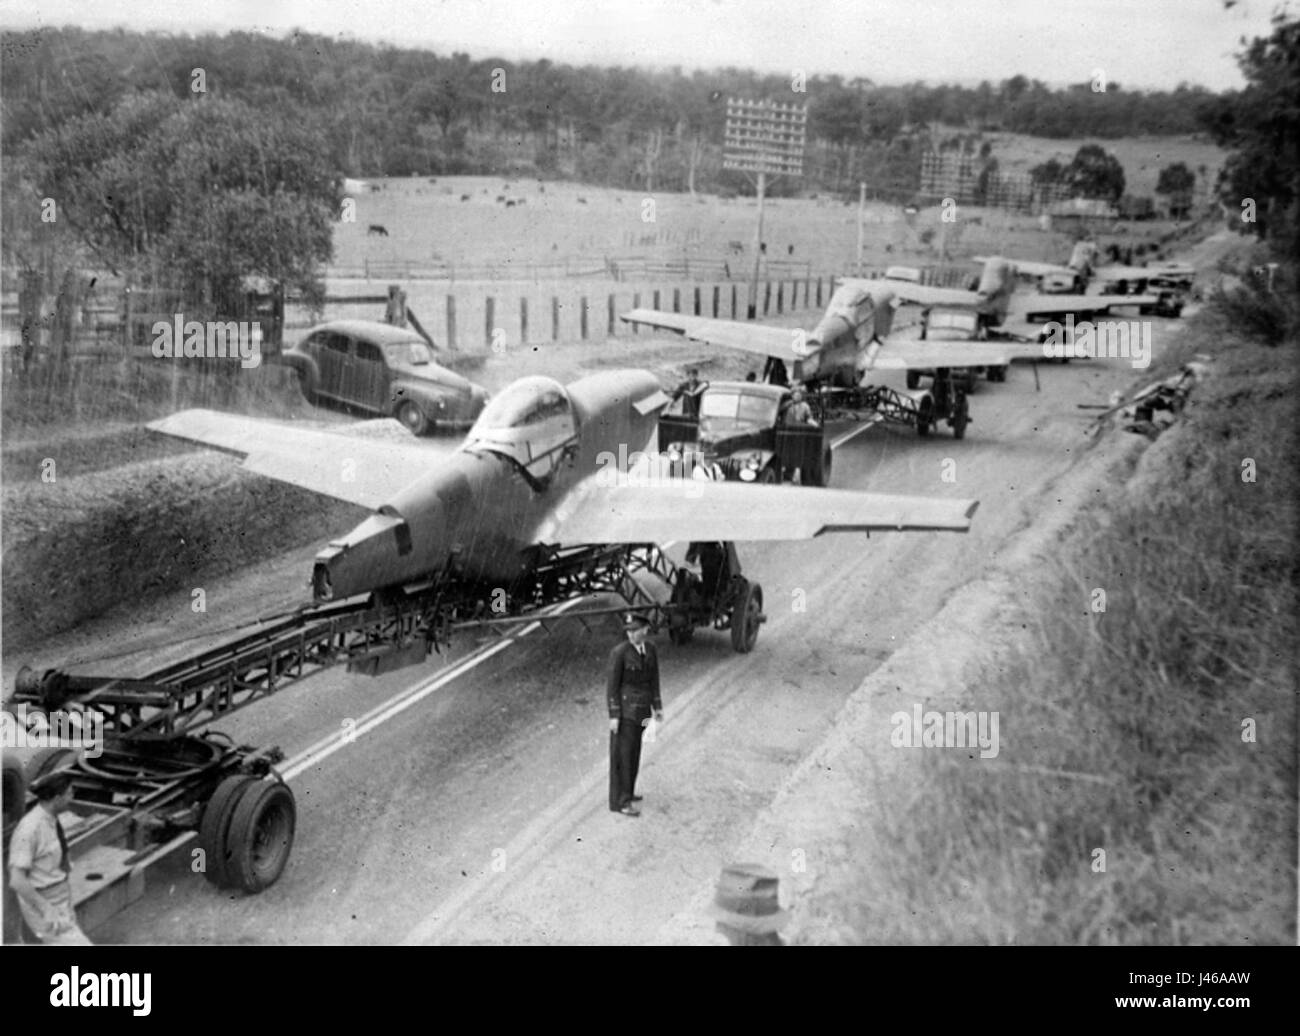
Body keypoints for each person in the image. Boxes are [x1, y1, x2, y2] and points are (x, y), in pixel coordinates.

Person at [8, 769, 92, 944]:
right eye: (69, 794)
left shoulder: (51, 818)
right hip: (44, 903)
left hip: (61, 898)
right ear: (57, 798)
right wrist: (47, 910)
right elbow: (17, 880)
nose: (72, 798)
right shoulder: (29, 829)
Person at [606, 613, 663, 817]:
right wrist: (614, 715)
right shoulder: (619, 653)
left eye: (635, 631)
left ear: (645, 630)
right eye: (629, 631)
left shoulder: (650, 650)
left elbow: (654, 678)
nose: (631, 635)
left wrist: (657, 705)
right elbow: (612, 686)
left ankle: (629, 792)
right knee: (624, 756)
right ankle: (622, 801)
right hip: (626, 711)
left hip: (642, 711)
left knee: (635, 754)